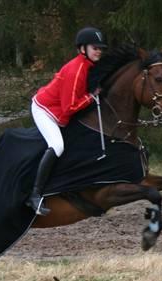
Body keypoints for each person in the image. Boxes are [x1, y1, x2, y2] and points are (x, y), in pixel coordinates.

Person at [27, 27, 107, 215]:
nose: (99, 51)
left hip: (58, 111)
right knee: (58, 145)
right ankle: (35, 195)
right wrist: (91, 97)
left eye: (100, 48)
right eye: (95, 47)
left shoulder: (88, 66)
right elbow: (69, 108)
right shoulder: (76, 69)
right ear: (82, 49)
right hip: (44, 110)